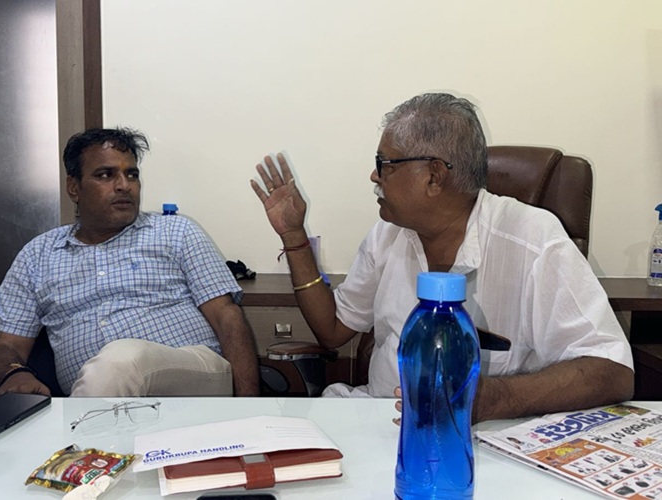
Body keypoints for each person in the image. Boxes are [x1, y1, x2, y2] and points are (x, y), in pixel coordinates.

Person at [250, 92, 633, 423]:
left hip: (483, 436)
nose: (374, 176)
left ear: (434, 177)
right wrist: (294, 236)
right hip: (378, 420)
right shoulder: (387, 234)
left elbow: (611, 370)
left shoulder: (533, 238)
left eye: (385, 164)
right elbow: (333, 330)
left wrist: (493, 399)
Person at [0, 127, 259, 397]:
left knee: (121, 360)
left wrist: (251, 409)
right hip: (103, 396)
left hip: (195, 378)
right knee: (113, 368)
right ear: (74, 187)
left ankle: (79, 426)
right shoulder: (37, 256)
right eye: (106, 175)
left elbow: (227, 317)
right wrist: (14, 373)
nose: (124, 185)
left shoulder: (177, 232)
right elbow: (7, 346)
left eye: (132, 174)